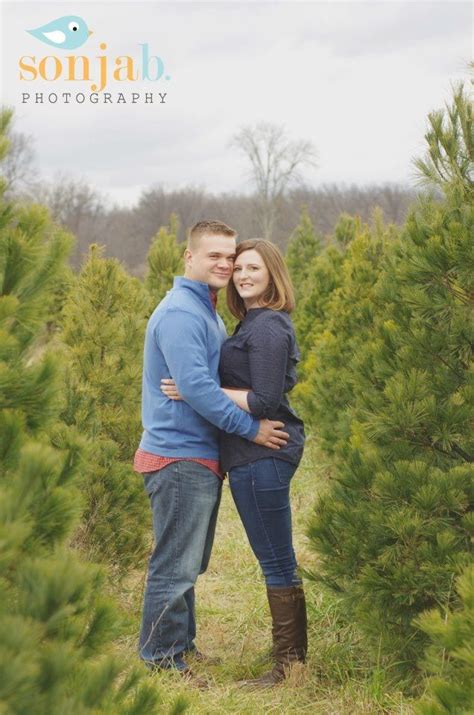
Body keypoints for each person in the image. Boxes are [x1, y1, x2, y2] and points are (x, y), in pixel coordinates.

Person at [134, 221, 289, 683]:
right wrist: (252, 429)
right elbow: (198, 389)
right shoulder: (182, 312)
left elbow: (201, 385)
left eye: (230, 257)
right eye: (215, 256)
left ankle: (181, 645)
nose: (224, 264)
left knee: (190, 561)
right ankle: (161, 659)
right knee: (175, 564)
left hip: (199, 454)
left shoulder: (206, 309)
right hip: (179, 455)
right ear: (189, 257)